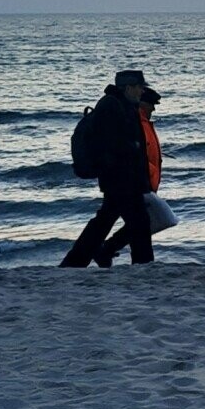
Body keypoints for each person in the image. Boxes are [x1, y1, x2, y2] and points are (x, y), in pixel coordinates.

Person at [60, 69, 155, 267]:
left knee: (106, 221)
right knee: (138, 223)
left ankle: (75, 262)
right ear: (128, 87)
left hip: (122, 177)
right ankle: (143, 265)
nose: (141, 92)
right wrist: (132, 148)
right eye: (139, 87)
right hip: (119, 177)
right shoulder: (112, 105)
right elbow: (112, 142)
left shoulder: (123, 105)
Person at [94, 87, 163, 268]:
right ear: (142, 103)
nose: (154, 109)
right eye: (151, 105)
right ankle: (109, 252)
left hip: (141, 183)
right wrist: (144, 180)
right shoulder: (135, 122)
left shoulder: (143, 122)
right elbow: (138, 156)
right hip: (135, 183)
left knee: (129, 221)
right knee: (139, 222)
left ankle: (104, 251)